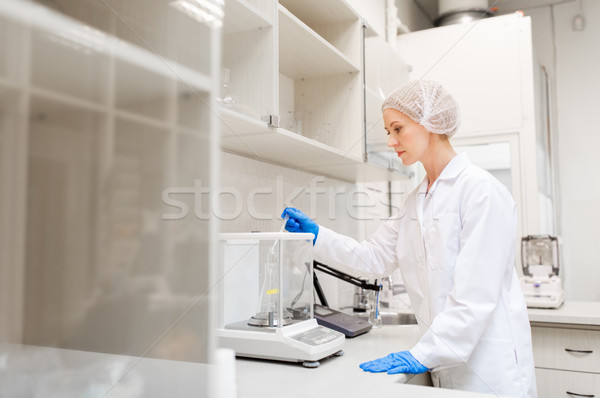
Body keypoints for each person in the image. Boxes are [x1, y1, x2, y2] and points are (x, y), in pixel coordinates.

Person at [281, 80, 537, 398]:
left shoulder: (480, 191)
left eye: (398, 129)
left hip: (490, 368)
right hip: (445, 365)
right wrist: (317, 236)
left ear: (430, 123)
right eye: (389, 132)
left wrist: (421, 353)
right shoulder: (416, 200)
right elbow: (372, 258)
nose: (391, 141)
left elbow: (475, 296)